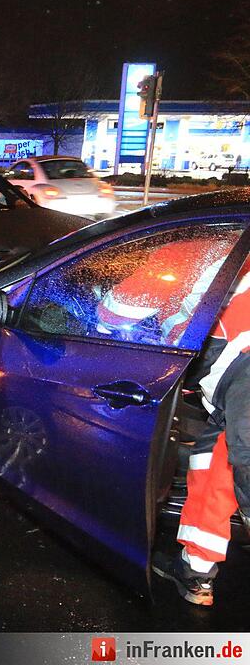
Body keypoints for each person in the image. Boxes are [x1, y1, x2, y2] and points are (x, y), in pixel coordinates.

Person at [152, 257, 250, 606]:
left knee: (228, 472)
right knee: (210, 469)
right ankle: (195, 575)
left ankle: (196, 576)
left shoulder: (217, 260)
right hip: (231, 399)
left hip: (241, 397)